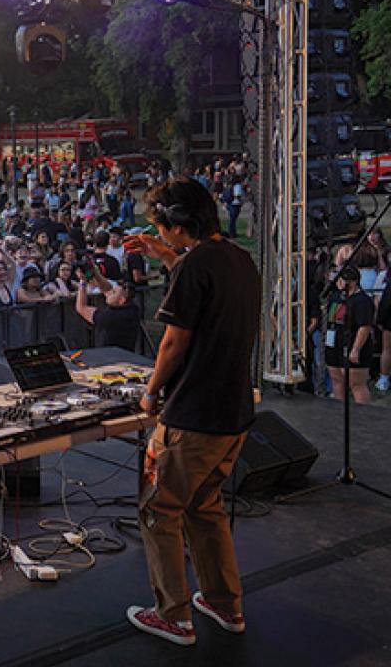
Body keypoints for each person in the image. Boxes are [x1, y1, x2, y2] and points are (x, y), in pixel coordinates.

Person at [122, 176, 260, 647]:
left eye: (161, 227)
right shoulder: (238, 259)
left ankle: (174, 616)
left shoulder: (192, 268)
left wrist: (150, 392)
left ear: (179, 225)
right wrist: (164, 256)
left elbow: (174, 340)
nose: (159, 234)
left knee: (158, 509)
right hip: (234, 412)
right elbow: (201, 278)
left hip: (193, 415)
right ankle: (224, 604)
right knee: (204, 505)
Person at [324, 265, 376, 404]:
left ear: (351, 281)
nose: (337, 282)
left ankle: (363, 416)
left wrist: (356, 349)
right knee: (336, 379)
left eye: (340, 279)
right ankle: (340, 409)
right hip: (334, 343)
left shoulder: (362, 300)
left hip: (351, 343)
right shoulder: (336, 296)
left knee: (356, 384)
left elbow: (364, 326)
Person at [74, 263, 142, 351]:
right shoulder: (133, 309)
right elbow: (107, 289)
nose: (109, 293)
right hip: (127, 354)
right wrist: (95, 274)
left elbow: (81, 307)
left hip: (107, 357)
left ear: (121, 300)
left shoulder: (109, 317)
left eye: (113, 292)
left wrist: (82, 281)